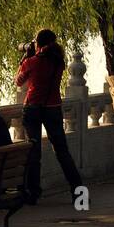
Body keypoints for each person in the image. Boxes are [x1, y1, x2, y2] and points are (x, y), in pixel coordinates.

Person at [15, 28, 83, 204]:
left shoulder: (32, 61)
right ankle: (79, 193)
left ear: (38, 43)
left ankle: (33, 194)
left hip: (33, 108)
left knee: (34, 153)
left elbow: (18, 81)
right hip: (53, 108)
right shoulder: (59, 61)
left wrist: (25, 57)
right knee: (62, 152)